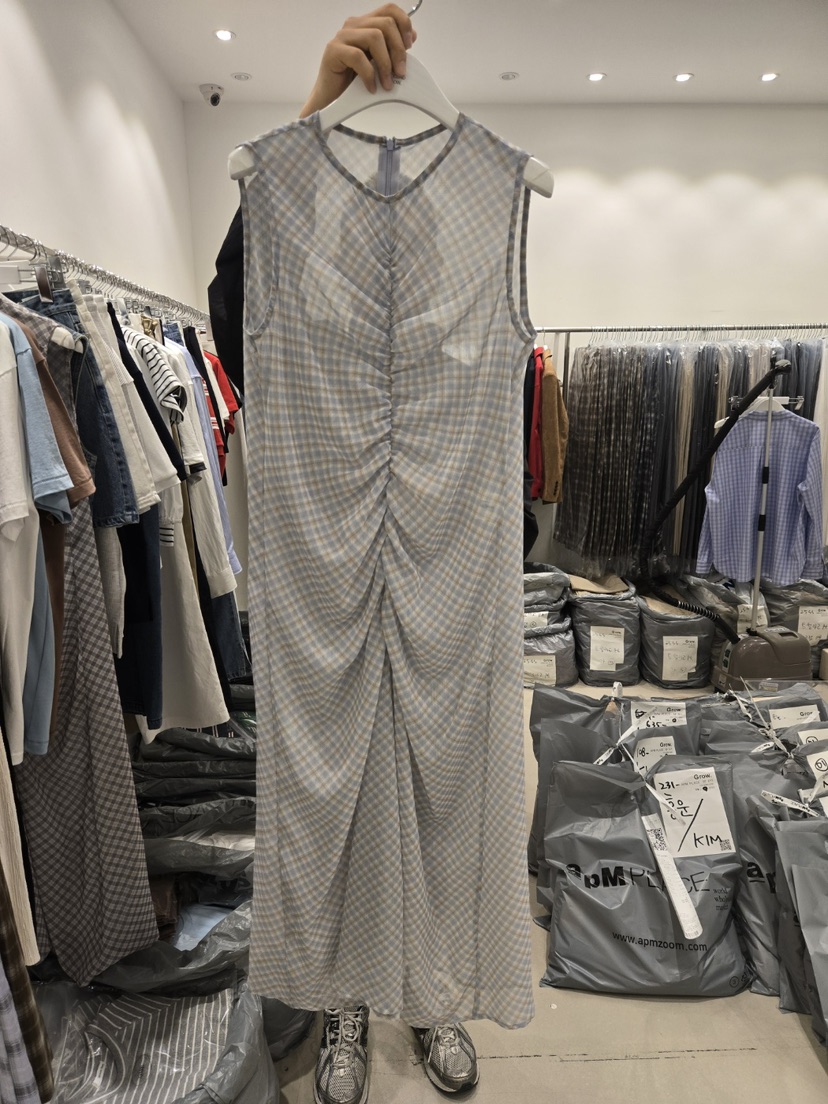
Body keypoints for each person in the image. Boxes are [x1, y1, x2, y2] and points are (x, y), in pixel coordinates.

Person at [224, 8, 537, 1103]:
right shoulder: (288, 215)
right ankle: (347, 999)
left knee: (448, 789)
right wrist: (311, 110)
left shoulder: (497, 196)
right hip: (326, 557)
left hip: (453, 558)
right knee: (338, 796)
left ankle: (436, 991)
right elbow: (236, 318)